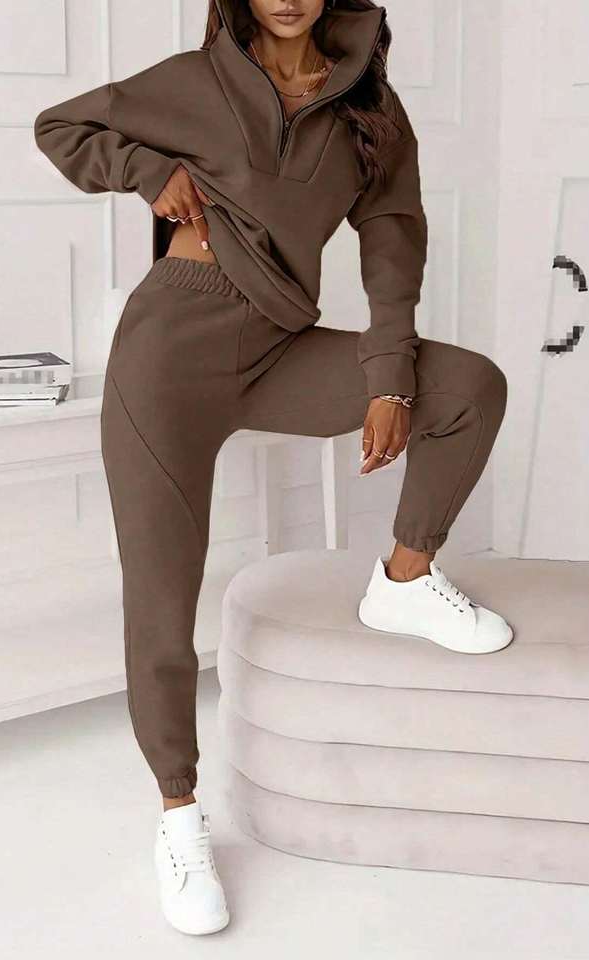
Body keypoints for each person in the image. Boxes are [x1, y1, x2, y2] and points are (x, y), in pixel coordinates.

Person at [34, 0, 512, 936]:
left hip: (280, 346)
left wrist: (389, 377)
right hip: (169, 352)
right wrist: (147, 170)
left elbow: (393, 240)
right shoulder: (195, 80)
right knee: (161, 598)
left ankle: (403, 582)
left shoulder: (369, 108)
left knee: (466, 386)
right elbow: (61, 127)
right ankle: (179, 815)